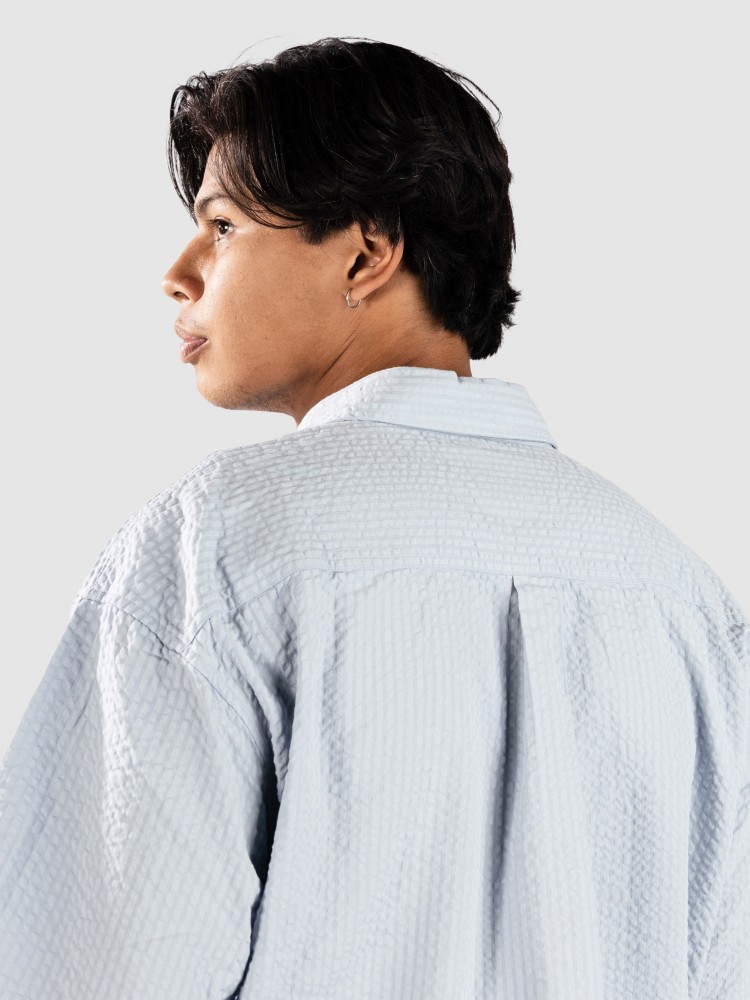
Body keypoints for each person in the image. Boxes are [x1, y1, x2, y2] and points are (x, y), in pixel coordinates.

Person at [0, 36, 747, 1000]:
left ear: (366, 252)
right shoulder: (686, 598)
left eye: (222, 226)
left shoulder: (213, 549)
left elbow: (88, 973)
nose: (179, 273)